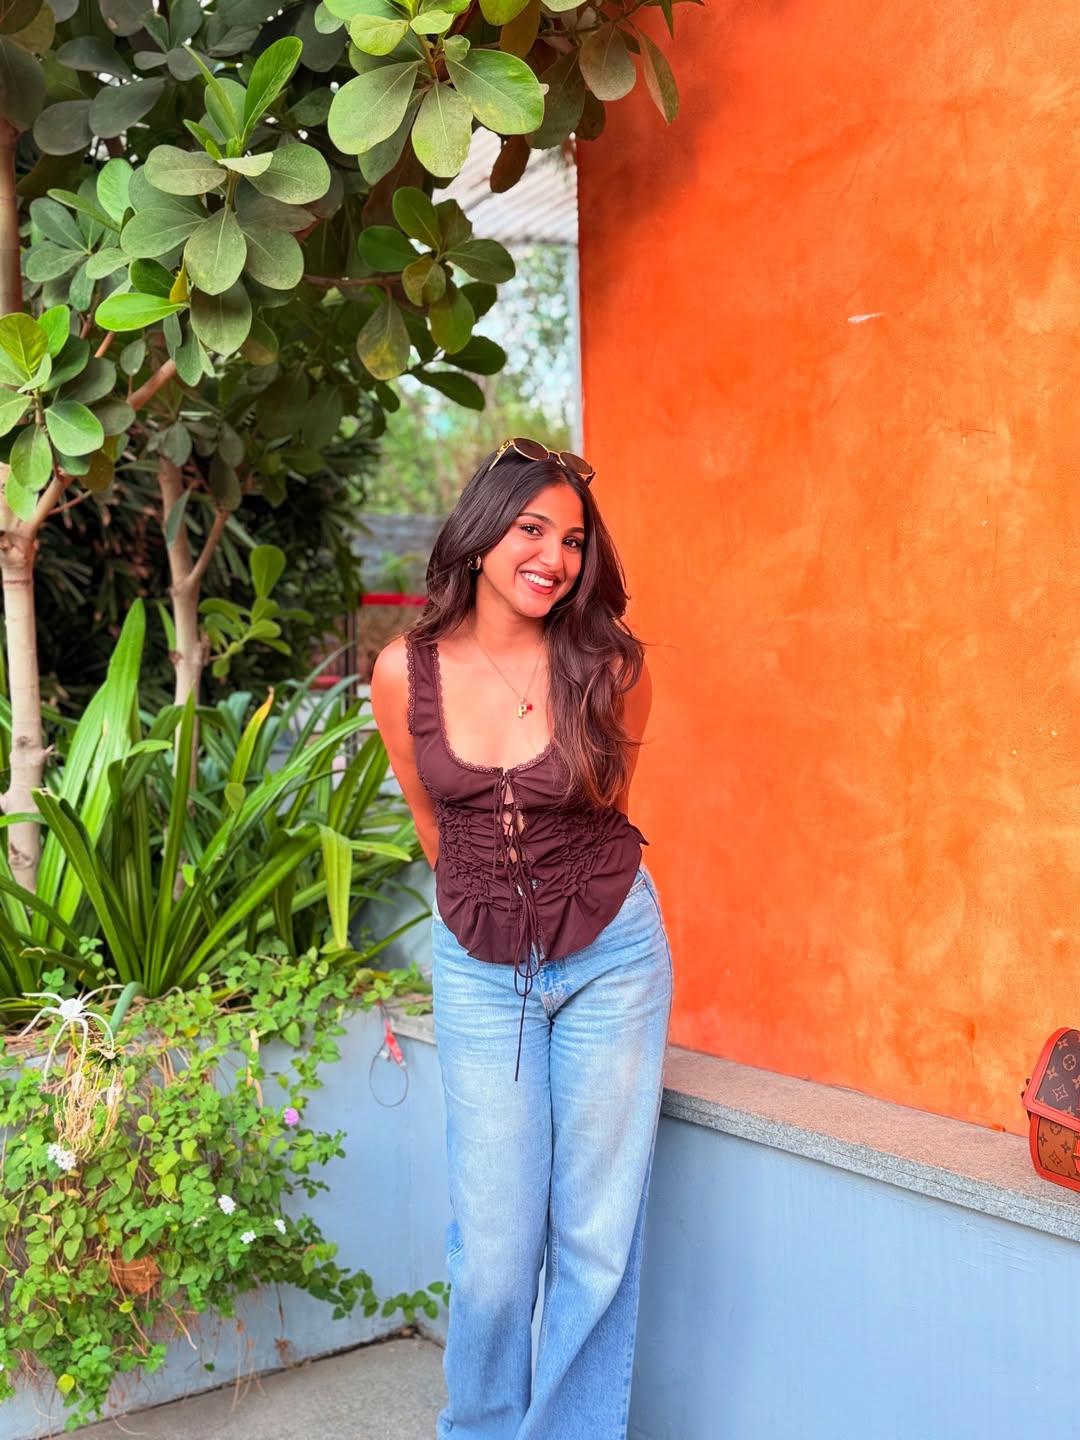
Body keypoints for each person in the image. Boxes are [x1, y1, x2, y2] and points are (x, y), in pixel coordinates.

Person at [370, 438, 673, 1440]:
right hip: (480, 965)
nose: (554, 557)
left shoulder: (611, 667)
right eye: (532, 529)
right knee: (497, 1252)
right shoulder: (403, 672)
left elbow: (601, 814)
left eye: (574, 541)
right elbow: (436, 826)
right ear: (480, 532)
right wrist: (495, 914)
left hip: (612, 956)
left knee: (594, 1239)